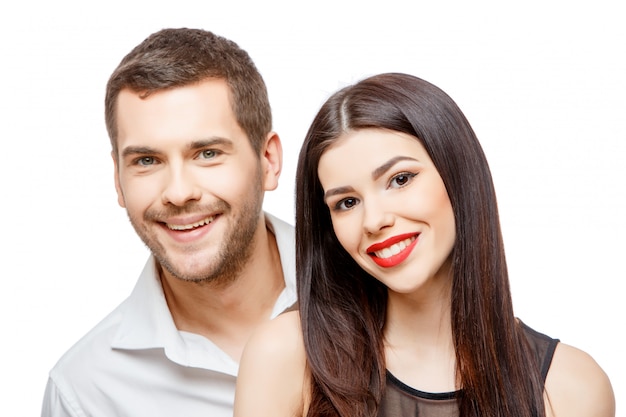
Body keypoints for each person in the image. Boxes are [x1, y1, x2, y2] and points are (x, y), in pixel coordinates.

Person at [234, 73, 615, 417]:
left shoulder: (571, 390)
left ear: (458, 174)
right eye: (346, 202)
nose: (374, 220)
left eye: (400, 179)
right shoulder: (284, 356)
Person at [41, 28, 296, 417]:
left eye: (207, 153)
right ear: (118, 180)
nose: (178, 193)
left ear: (268, 161)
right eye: (147, 161)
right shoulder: (84, 393)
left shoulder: (379, 291)